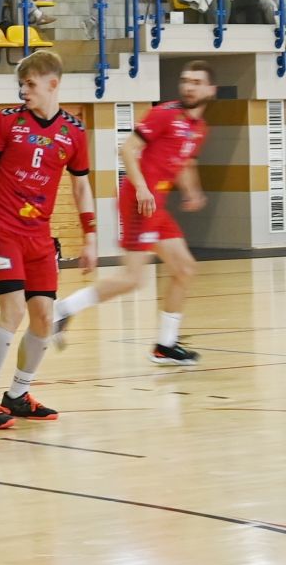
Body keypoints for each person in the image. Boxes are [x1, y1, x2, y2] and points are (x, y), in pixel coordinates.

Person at [0, 49, 97, 430]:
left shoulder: (74, 131)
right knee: (12, 312)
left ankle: (18, 395)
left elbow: (81, 187)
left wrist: (90, 236)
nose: (23, 91)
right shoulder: (6, 120)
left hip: (39, 236)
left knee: (43, 317)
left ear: (52, 84)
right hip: (4, 230)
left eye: (30, 84)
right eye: (21, 84)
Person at [52, 60, 215, 367]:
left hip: (157, 204)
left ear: (210, 89)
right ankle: (63, 309)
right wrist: (141, 188)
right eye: (185, 80)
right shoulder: (164, 113)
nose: (188, 86)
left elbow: (185, 162)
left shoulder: (199, 128)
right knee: (133, 278)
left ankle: (165, 345)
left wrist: (192, 191)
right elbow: (127, 149)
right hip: (140, 201)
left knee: (185, 269)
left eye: (196, 82)